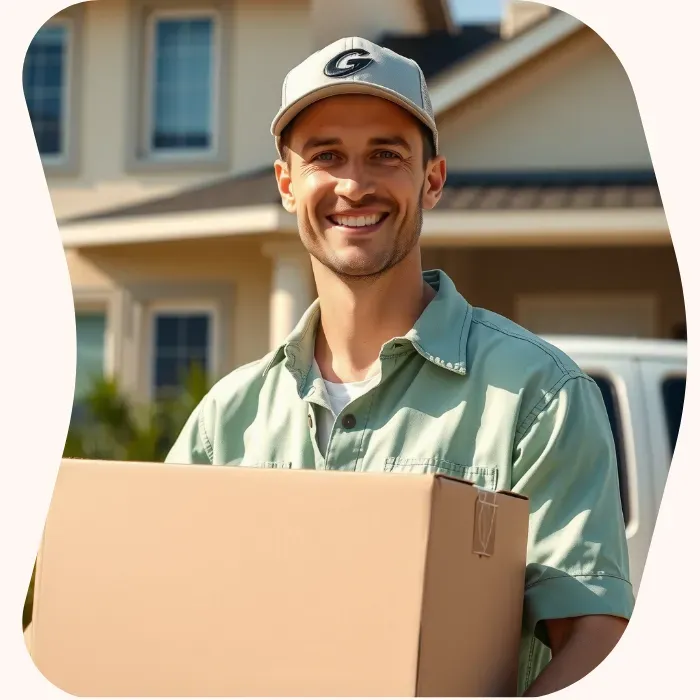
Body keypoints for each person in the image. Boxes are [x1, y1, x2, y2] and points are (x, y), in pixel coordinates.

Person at [167, 37, 634, 697]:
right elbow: (165, 617)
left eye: (386, 155)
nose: (355, 184)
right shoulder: (225, 421)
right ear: (286, 184)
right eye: (326, 155)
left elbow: (595, 639)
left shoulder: (540, 397)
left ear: (432, 180)